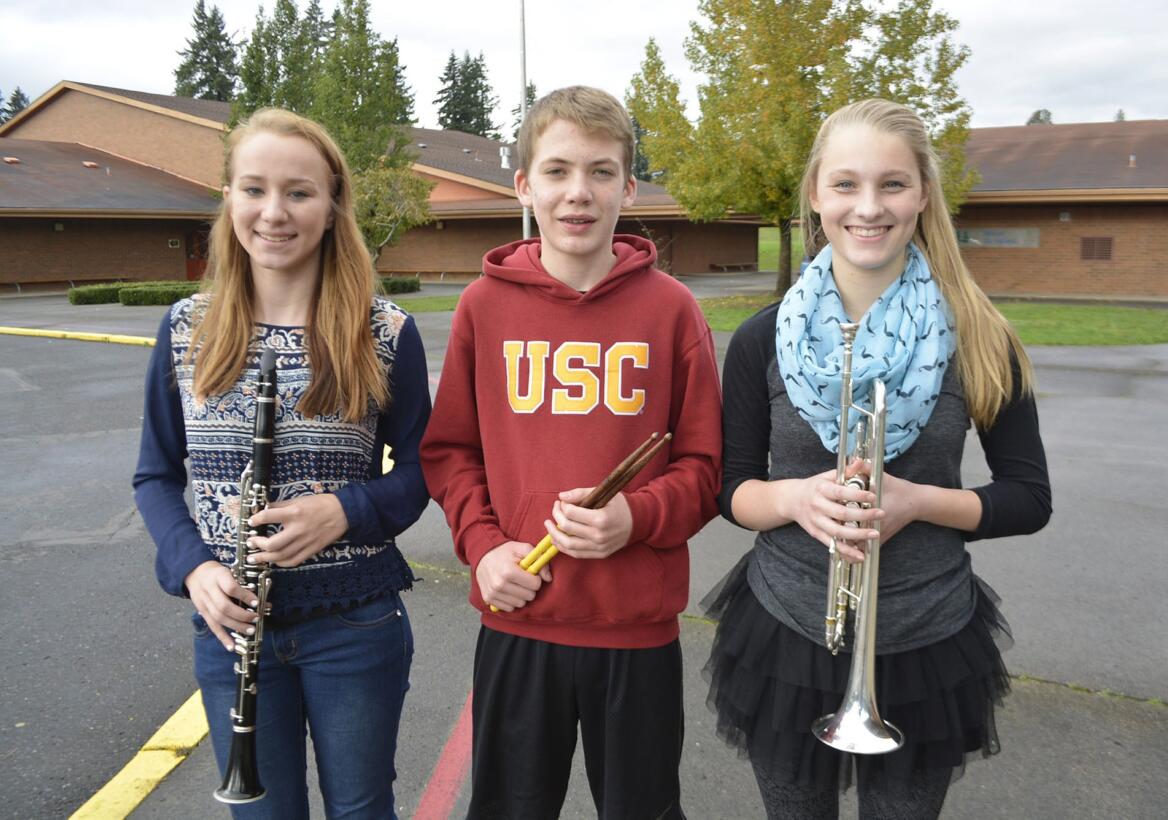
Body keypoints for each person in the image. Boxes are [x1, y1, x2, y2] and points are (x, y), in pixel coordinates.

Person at [703, 98, 1052, 819]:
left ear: (924, 194)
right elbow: (730, 488)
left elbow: (1028, 496)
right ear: (815, 196)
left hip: (927, 638)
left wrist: (921, 502)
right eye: (845, 184)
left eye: (893, 184)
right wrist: (796, 499)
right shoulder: (761, 340)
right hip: (788, 633)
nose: (869, 207)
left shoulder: (981, 337)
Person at [419, 86, 722, 820]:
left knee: (642, 810)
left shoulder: (672, 309)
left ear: (629, 185)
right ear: (524, 185)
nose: (577, 193)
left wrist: (636, 517)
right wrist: (484, 548)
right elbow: (451, 451)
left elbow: (706, 469)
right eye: (557, 171)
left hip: (634, 629)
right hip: (518, 615)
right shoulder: (483, 308)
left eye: (600, 171)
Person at [133, 108, 431, 819]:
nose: (274, 212)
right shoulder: (186, 328)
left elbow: (428, 469)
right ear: (229, 199)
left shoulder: (384, 332)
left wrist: (346, 510)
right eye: (253, 189)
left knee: (362, 810)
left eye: (299, 192)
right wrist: (194, 569)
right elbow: (154, 474)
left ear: (332, 208)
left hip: (354, 622)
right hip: (231, 626)